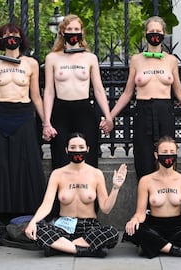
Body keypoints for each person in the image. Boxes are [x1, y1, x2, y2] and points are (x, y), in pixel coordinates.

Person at [110, 16, 181, 181]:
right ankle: (146, 201)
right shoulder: (136, 60)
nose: (155, 34)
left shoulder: (171, 61)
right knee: (143, 156)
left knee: (167, 153)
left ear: (164, 34)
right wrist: (110, 116)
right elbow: (128, 93)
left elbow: (179, 93)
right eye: (151, 31)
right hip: (143, 110)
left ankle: (166, 198)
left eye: (158, 31)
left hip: (165, 110)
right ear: (146, 34)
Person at [0, 23, 47, 222]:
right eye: (6, 35)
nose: (11, 38)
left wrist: (46, 123)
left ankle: (25, 212)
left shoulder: (31, 63)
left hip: (24, 115)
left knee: (24, 163)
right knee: (1, 164)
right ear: (0, 40)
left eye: (14, 34)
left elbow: (36, 96)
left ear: (21, 38)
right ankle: (2, 214)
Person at [25, 132, 127, 258]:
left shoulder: (96, 174)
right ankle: (83, 250)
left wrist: (116, 187)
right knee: (38, 230)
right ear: (67, 150)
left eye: (81, 147)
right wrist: (33, 222)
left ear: (87, 149)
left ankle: (61, 248)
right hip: (63, 225)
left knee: (112, 233)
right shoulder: (58, 174)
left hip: (90, 226)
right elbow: (46, 205)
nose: (77, 150)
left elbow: (105, 208)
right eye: (73, 148)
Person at [42, 14, 114, 169]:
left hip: (84, 110)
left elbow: (99, 90)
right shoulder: (52, 58)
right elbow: (49, 91)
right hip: (61, 111)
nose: (73, 32)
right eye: (69, 29)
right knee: (61, 157)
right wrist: (46, 122)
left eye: (76, 29)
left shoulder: (90, 58)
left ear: (81, 32)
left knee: (87, 156)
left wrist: (108, 116)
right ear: (62, 32)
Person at [124, 136, 181, 259]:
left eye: (172, 152)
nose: (168, 156)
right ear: (156, 155)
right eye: (164, 152)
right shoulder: (146, 181)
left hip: (177, 228)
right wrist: (134, 220)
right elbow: (140, 213)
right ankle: (178, 250)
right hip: (154, 226)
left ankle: (155, 246)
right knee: (132, 230)